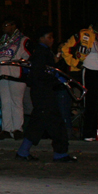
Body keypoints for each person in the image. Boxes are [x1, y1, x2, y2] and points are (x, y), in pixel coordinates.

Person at [15, 27, 77, 162]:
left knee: (39, 122)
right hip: (43, 92)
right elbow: (40, 74)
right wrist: (55, 78)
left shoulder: (42, 52)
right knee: (54, 122)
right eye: (49, 37)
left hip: (41, 92)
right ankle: (60, 153)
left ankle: (23, 151)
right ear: (41, 38)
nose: (52, 40)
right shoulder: (41, 53)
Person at [62, 14, 98, 141]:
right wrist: (76, 64)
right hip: (90, 72)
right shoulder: (85, 34)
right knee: (92, 103)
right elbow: (66, 48)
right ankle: (89, 134)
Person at [0, 16, 31, 140]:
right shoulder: (1, 41)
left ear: (14, 25)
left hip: (16, 74)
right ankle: (6, 129)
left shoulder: (23, 40)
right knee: (5, 102)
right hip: (1, 73)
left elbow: (27, 56)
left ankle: (17, 128)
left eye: (7, 24)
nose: (4, 27)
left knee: (16, 102)